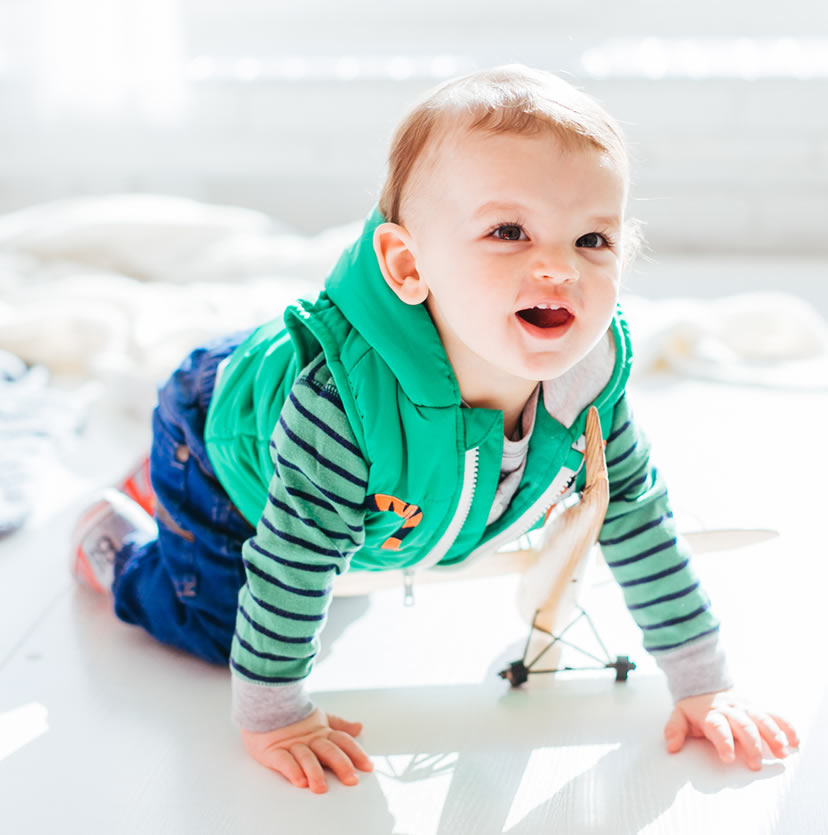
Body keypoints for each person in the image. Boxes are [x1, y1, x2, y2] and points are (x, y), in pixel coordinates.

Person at [70, 64, 799, 794]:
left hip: (318, 448)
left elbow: (633, 514)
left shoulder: (587, 381)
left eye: (593, 239)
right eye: (510, 232)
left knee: (338, 575)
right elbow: (292, 559)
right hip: (216, 447)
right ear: (408, 264)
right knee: (223, 628)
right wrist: (275, 714)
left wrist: (703, 680)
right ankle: (121, 542)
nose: (558, 267)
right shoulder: (346, 408)